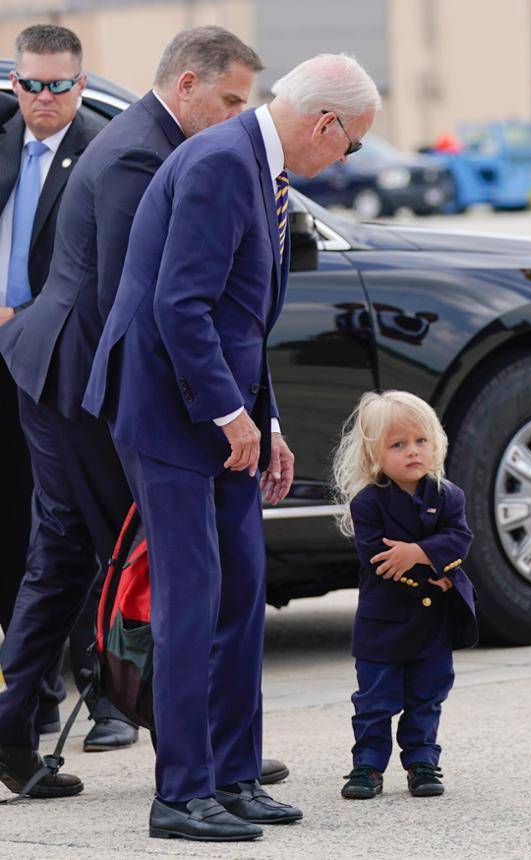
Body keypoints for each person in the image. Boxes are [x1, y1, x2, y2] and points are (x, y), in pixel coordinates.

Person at [83, 53, 380, 842]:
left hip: (215, 413)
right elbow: (181, 307)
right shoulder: (220, 163)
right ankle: (181, 795)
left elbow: (238, 320)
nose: (345, 161)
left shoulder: (260, 167)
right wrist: (227, 414)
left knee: (242, 592)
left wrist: (268, 421)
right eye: (350, 146)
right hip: (165, 411)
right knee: (192, 600)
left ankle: (234, 776)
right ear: (326, 124)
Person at [0, 26, 286, 798]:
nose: (236, 118)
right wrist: (185, 412)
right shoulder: (141, 153)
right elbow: (136, 301)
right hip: (78, 374)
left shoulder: (150, 138)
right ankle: (206, 751)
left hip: (60, 367)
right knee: (155, 560)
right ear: (187, 85)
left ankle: (12, 733)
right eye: (228, 100)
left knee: (65, 557)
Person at [0, 24, 108, 739]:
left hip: (59, 363)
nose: (45, 98)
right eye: (32, 84)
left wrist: (28, 316)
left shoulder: (105, 151)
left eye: (59, 85)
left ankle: (108, 698)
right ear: (16, 83)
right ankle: (30, 698)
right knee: (15, 524)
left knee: (74, 524)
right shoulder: (3, 140)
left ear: (80, 81)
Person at [332, 390, 478, 801]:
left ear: (435, 445)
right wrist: (432, 566)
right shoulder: (369, 503)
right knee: (374, 698)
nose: (412, 452)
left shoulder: (449, 497)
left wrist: (419, 553)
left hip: (434, 623)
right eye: (398, 445)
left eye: (420, 442)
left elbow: (459, 539)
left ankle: (422, 761)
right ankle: (367, 766)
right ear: (375, 455)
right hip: (385, 621)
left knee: (428, 694)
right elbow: (376, 556)